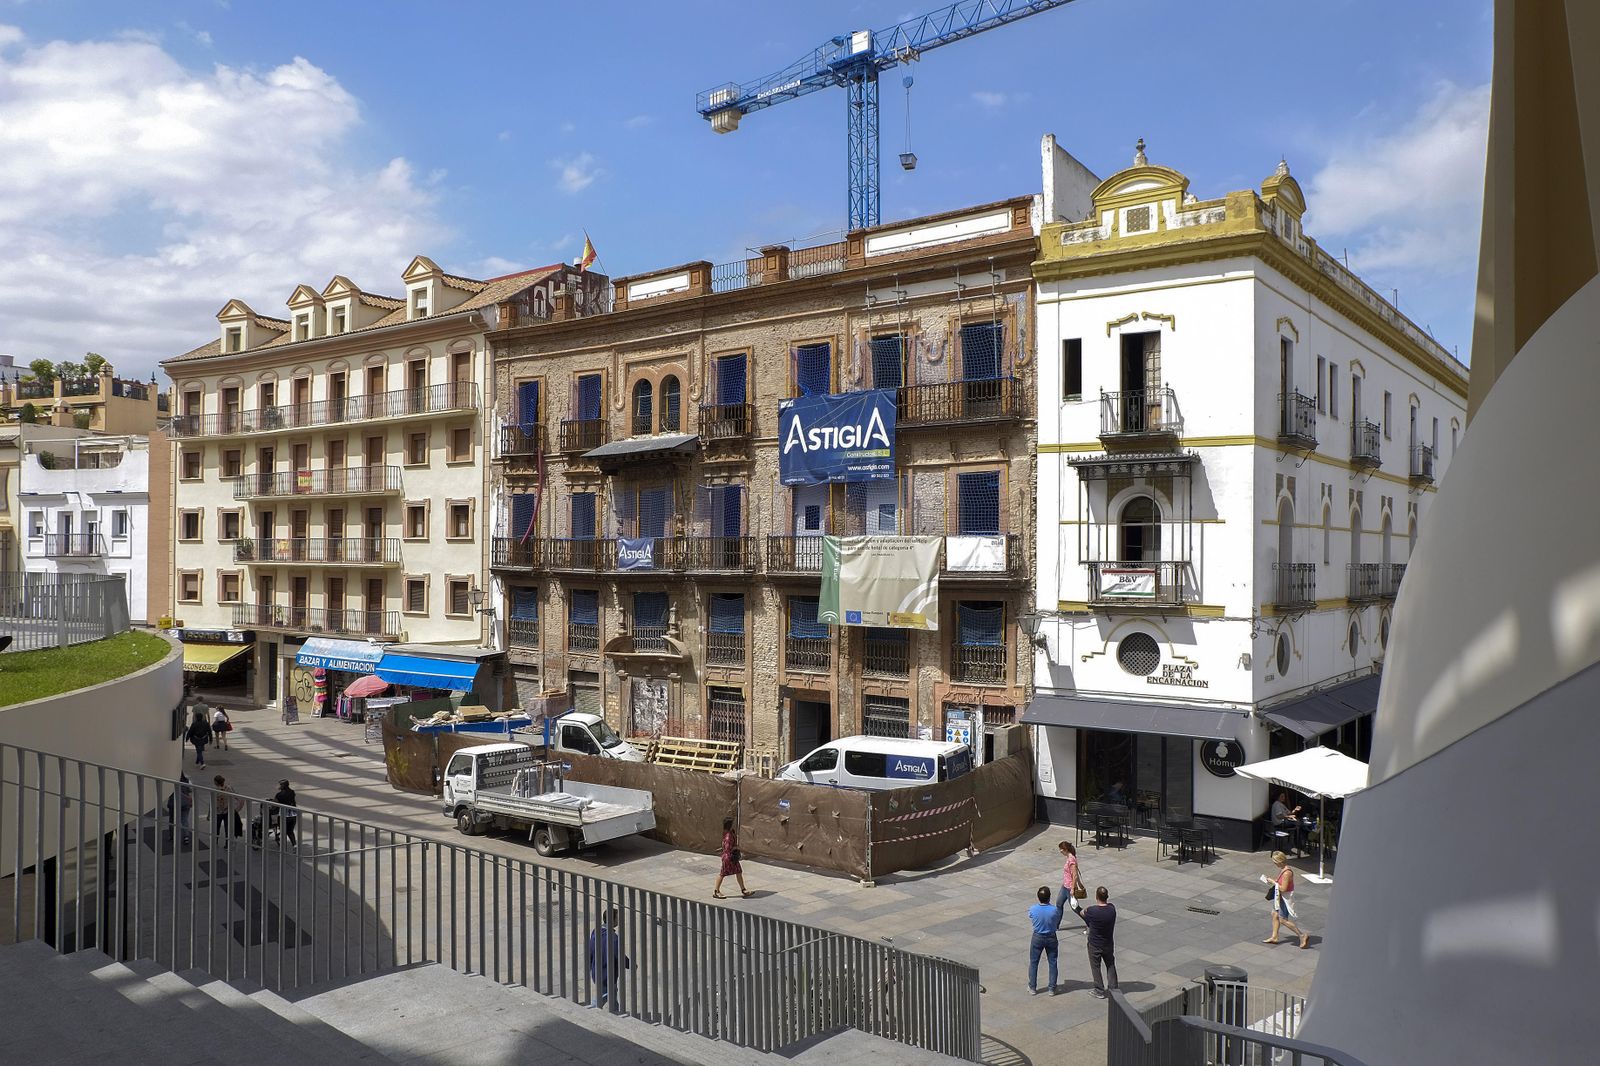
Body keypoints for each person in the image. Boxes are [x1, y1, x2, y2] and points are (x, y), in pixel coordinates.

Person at [1072, 885, 1119, 998]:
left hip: (1095, 944)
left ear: (1096, 897)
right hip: (1108, 943)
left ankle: (1099, 990)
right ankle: (1113, 988)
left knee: (1096, 967)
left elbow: (1082, 913)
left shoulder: (1092, 911)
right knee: (1110, 964)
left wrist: (1075, 903)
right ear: (1107, 897)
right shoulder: (1112, 909)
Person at [1263, 851, 1311, 949]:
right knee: (1274, 914)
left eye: (1275, 862)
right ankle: (1274, 937)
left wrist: (1273, 882)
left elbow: (1284, 888)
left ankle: (1302, 935)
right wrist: (1273, 881)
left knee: (1283, 920)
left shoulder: (1286, 873)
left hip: (1284, 898)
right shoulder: (1283, 869)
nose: (1274, 864)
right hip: (1279, 896)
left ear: (1280, 861)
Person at [586, 908, 630, 1008]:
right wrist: (630, 965)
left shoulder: (596, 931)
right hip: (607, 975)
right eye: (617, 918)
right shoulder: (614, 938)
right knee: (605, 995)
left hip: (596, 971)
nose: (618, 920)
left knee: (612, 995)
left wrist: (590, 966)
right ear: (612, 920)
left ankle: (616, 1011)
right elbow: (619, 956)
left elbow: (591, 949)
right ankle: (591, 1008)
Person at [1026, 886, 1061, 995]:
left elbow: (1031, 917)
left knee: (1034, 962)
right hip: (1051, 936)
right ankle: (1051, 988)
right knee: (1053, 962)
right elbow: (1056, 920)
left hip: (1037, 937)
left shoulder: (1033, 909)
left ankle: (1032, 987)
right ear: (1049, 897)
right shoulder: (1054, 910)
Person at [712, 817, 751, 899]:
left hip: (731, 857)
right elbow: (727, 848)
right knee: (723, 874)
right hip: (729, 858)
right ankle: (716, 891)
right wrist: (736, 848)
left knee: (738, 871)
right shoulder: (728, 836)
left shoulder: (728, 833)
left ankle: (743, 890)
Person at [1054, 841, 1083, 929]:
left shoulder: (1071, 860)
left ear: (1066, 850)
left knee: (1075, 907)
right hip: (1064, 886)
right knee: (1059, 904)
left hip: (1070, 888)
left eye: (1061, 850)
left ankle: (1088, 920)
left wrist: (1073, 889)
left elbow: (1074, 875)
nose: (1060, 851)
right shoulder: (1069, 858)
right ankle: (1056, 925)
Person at [212, 774, 242, 841]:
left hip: (218, 812)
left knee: (216, 827)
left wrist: (209, 814)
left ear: (216, 782)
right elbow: (238, 797)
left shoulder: (215, 790)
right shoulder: (229, 788)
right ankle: (227, 844)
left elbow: (212, 803)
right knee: (227, 828)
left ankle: (215, 841)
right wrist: (237, 808)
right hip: (227, 811)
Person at [272, 778, 299, 849]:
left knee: (283, 831)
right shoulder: (292, 792)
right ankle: (294, 845)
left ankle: (283, 847)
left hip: (284, 816)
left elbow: (274, 805)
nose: (279, 786)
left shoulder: (279, 795)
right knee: (290, 831)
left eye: (280, 785)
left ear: (283, 785)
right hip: (293, 815)